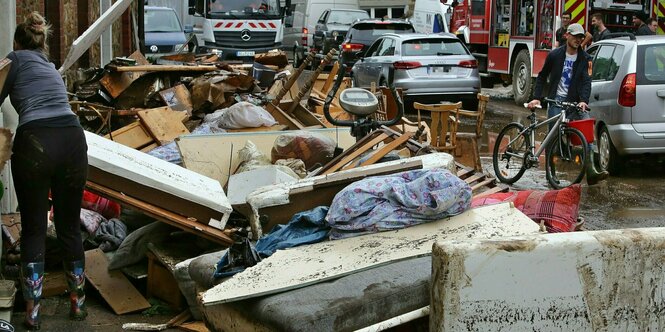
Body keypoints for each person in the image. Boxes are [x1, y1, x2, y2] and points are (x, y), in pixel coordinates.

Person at [0, 12, 88, 330]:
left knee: (35, 228)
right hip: (72, 139)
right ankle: (77, 305)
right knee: (68, 227)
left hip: (36, 140)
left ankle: (33, 314)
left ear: (17, 42)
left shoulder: (15, 58)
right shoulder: (49, 67)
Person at [527, 23, 608, 185]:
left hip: (575, 103)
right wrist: (537, 97)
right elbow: (542, 76)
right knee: (553, 139)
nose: (578, 40)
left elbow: (586, 81)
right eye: (576, 36)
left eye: (581, 37)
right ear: (567, 36)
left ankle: (591, 170)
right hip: (556, 102)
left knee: (587, 134)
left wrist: (584, 100)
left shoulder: (585, 58)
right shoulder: (555, 55)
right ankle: (551, 173)